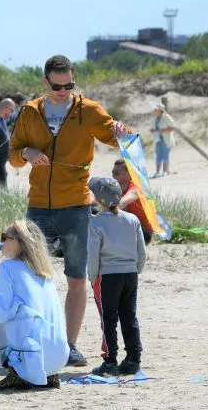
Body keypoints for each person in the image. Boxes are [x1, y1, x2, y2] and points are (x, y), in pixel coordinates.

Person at [8, 54, 131, 367]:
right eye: (57, 86)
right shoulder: (30, 111)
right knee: (29, 277)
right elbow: (13, 155)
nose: (63, 91)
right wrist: (26, 152)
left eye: (69, 85)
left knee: (76, 278)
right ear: (45, 82)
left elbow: (117, 136)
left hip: (76, 207)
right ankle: (29, 344)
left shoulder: (88, 109)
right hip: (38, 206)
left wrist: (121, 129)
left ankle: (69, 346)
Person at [0, 220, 68, 390]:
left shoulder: (8, 267)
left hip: (32, 361)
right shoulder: (44, 270)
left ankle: (18, 372)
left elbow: (0, 313)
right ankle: (46, 374)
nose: (2, 241)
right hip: (58, 359)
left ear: (19, 242)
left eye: (5, 237)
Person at [86, 177, 147, 376]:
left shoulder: (96, 223)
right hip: (130, 274)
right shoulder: (132, 219)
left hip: (108, 277)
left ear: (98, 199)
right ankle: (133, 358)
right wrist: (136, 269)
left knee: (109, 319)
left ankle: (110, 360)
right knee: (129, 316)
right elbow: (142, 251)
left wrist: (92, 276)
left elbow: (93, 254)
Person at [110, 159, 154, 244]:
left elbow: (122, 203)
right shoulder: (116, 188)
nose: (113, 176)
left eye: (117, 173)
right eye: (113, 173)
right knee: (90, 210)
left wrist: (100, 215)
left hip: (144, 232)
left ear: (129, 174)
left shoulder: (137, 187)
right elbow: (96, 200)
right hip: (128, 226)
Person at [150, 103, 176, 178]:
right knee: (158, 156)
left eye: (156, 109)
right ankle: (157, 172)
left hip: (166, 140)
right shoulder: (155, 119)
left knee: (165, 156)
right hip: (158, 140)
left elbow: (173, 128)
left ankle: (165, 171)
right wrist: (152, 131)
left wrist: (162, 131)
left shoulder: (166, 117)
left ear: (160, 110)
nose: (154, 111)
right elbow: (153, 129)